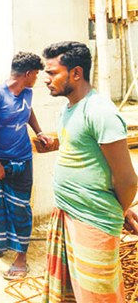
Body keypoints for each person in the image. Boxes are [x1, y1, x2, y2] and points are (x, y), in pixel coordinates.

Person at [41, 41, 138, 302]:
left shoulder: (100, 112)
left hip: (94, 219)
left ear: (76, 73)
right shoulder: (68, 109)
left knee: (99, 295)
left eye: (52, 73)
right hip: (68, 212)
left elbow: (128, 179)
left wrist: (117, 209)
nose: (46, 80)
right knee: (77, 292)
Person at [0, 52, 54, 280]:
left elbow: (28, 112)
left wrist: (39, 132)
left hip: (22, 162)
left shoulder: (27, 92)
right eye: (36, 74)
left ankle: (21, 257)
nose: (37, 79)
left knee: (20, 209)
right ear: (27, 74)